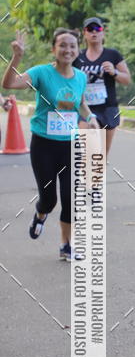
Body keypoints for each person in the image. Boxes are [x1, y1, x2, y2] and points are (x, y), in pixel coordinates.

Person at [2, 28, 98, 260]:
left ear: (77, 50)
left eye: (73, 45)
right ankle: (40, 215)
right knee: (49, 198)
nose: (68, 49)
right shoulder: (41, 73)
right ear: (54, 49)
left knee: (70, 198)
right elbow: (9, 84)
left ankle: (66, 246)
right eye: (63, 45)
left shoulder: (81, 77)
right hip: (43, 145)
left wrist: (91, 117)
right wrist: (17, 56)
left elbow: (81, 103)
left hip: (70, 145)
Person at [73, 17, 131, 156]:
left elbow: (127, 79)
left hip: (108, 108)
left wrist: (114, 72)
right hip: (85, 108)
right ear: (84, 33)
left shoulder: (112, 55)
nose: (94, 32)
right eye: (90, 29)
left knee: (101, 155)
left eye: (97, 29)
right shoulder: (77, 56)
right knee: (87, 152)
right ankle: (86, 176)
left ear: (103, 32)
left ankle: (95, 177)